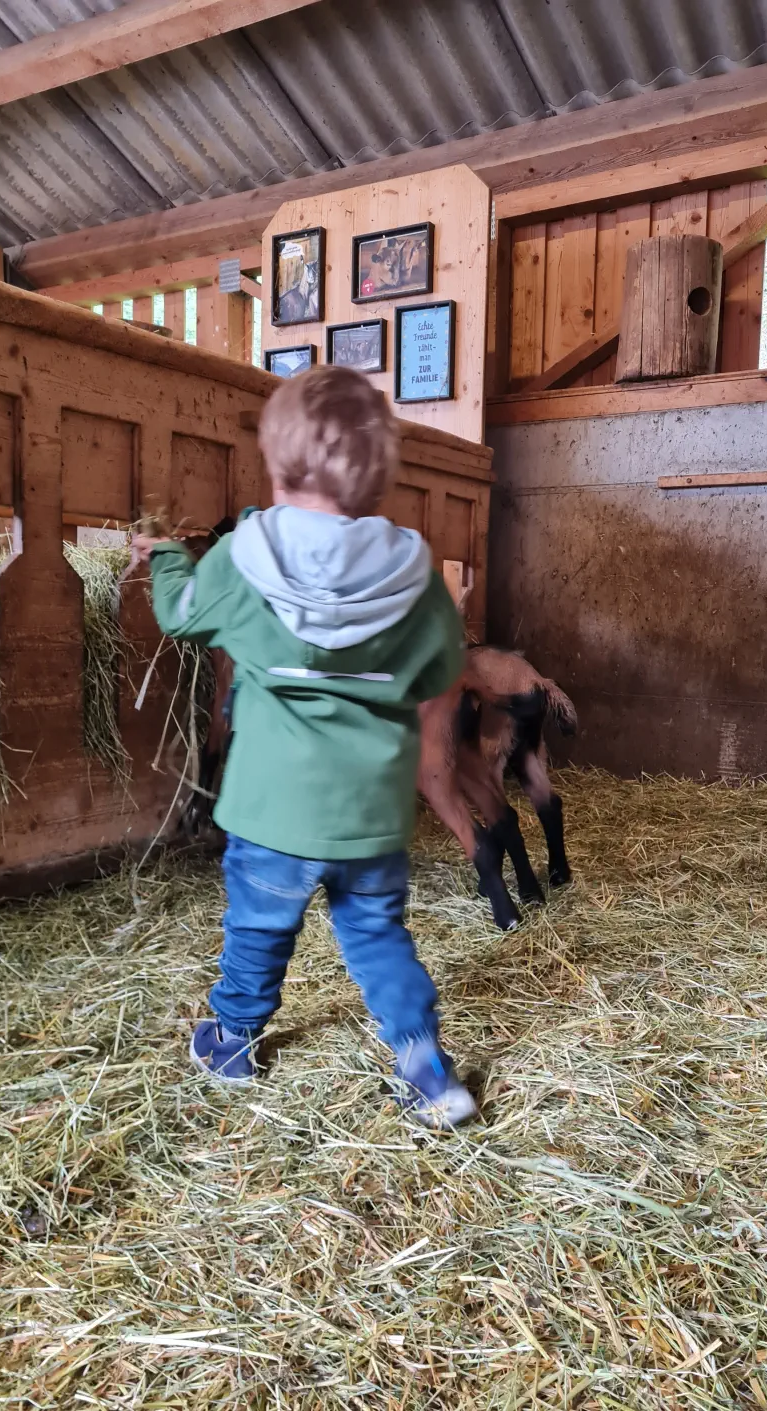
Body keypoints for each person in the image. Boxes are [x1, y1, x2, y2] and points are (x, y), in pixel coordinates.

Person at [132, 366, 474, 1129]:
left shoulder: (244, 557)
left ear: (276, 460)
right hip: (372, 811)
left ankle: (231, 1042)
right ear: (379, 477)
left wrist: (164, 555)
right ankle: (422, 1062)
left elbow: (182, 615)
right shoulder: (415, 575)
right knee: (377, 932)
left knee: (258, 929)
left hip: (272, 809)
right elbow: (444, 669)